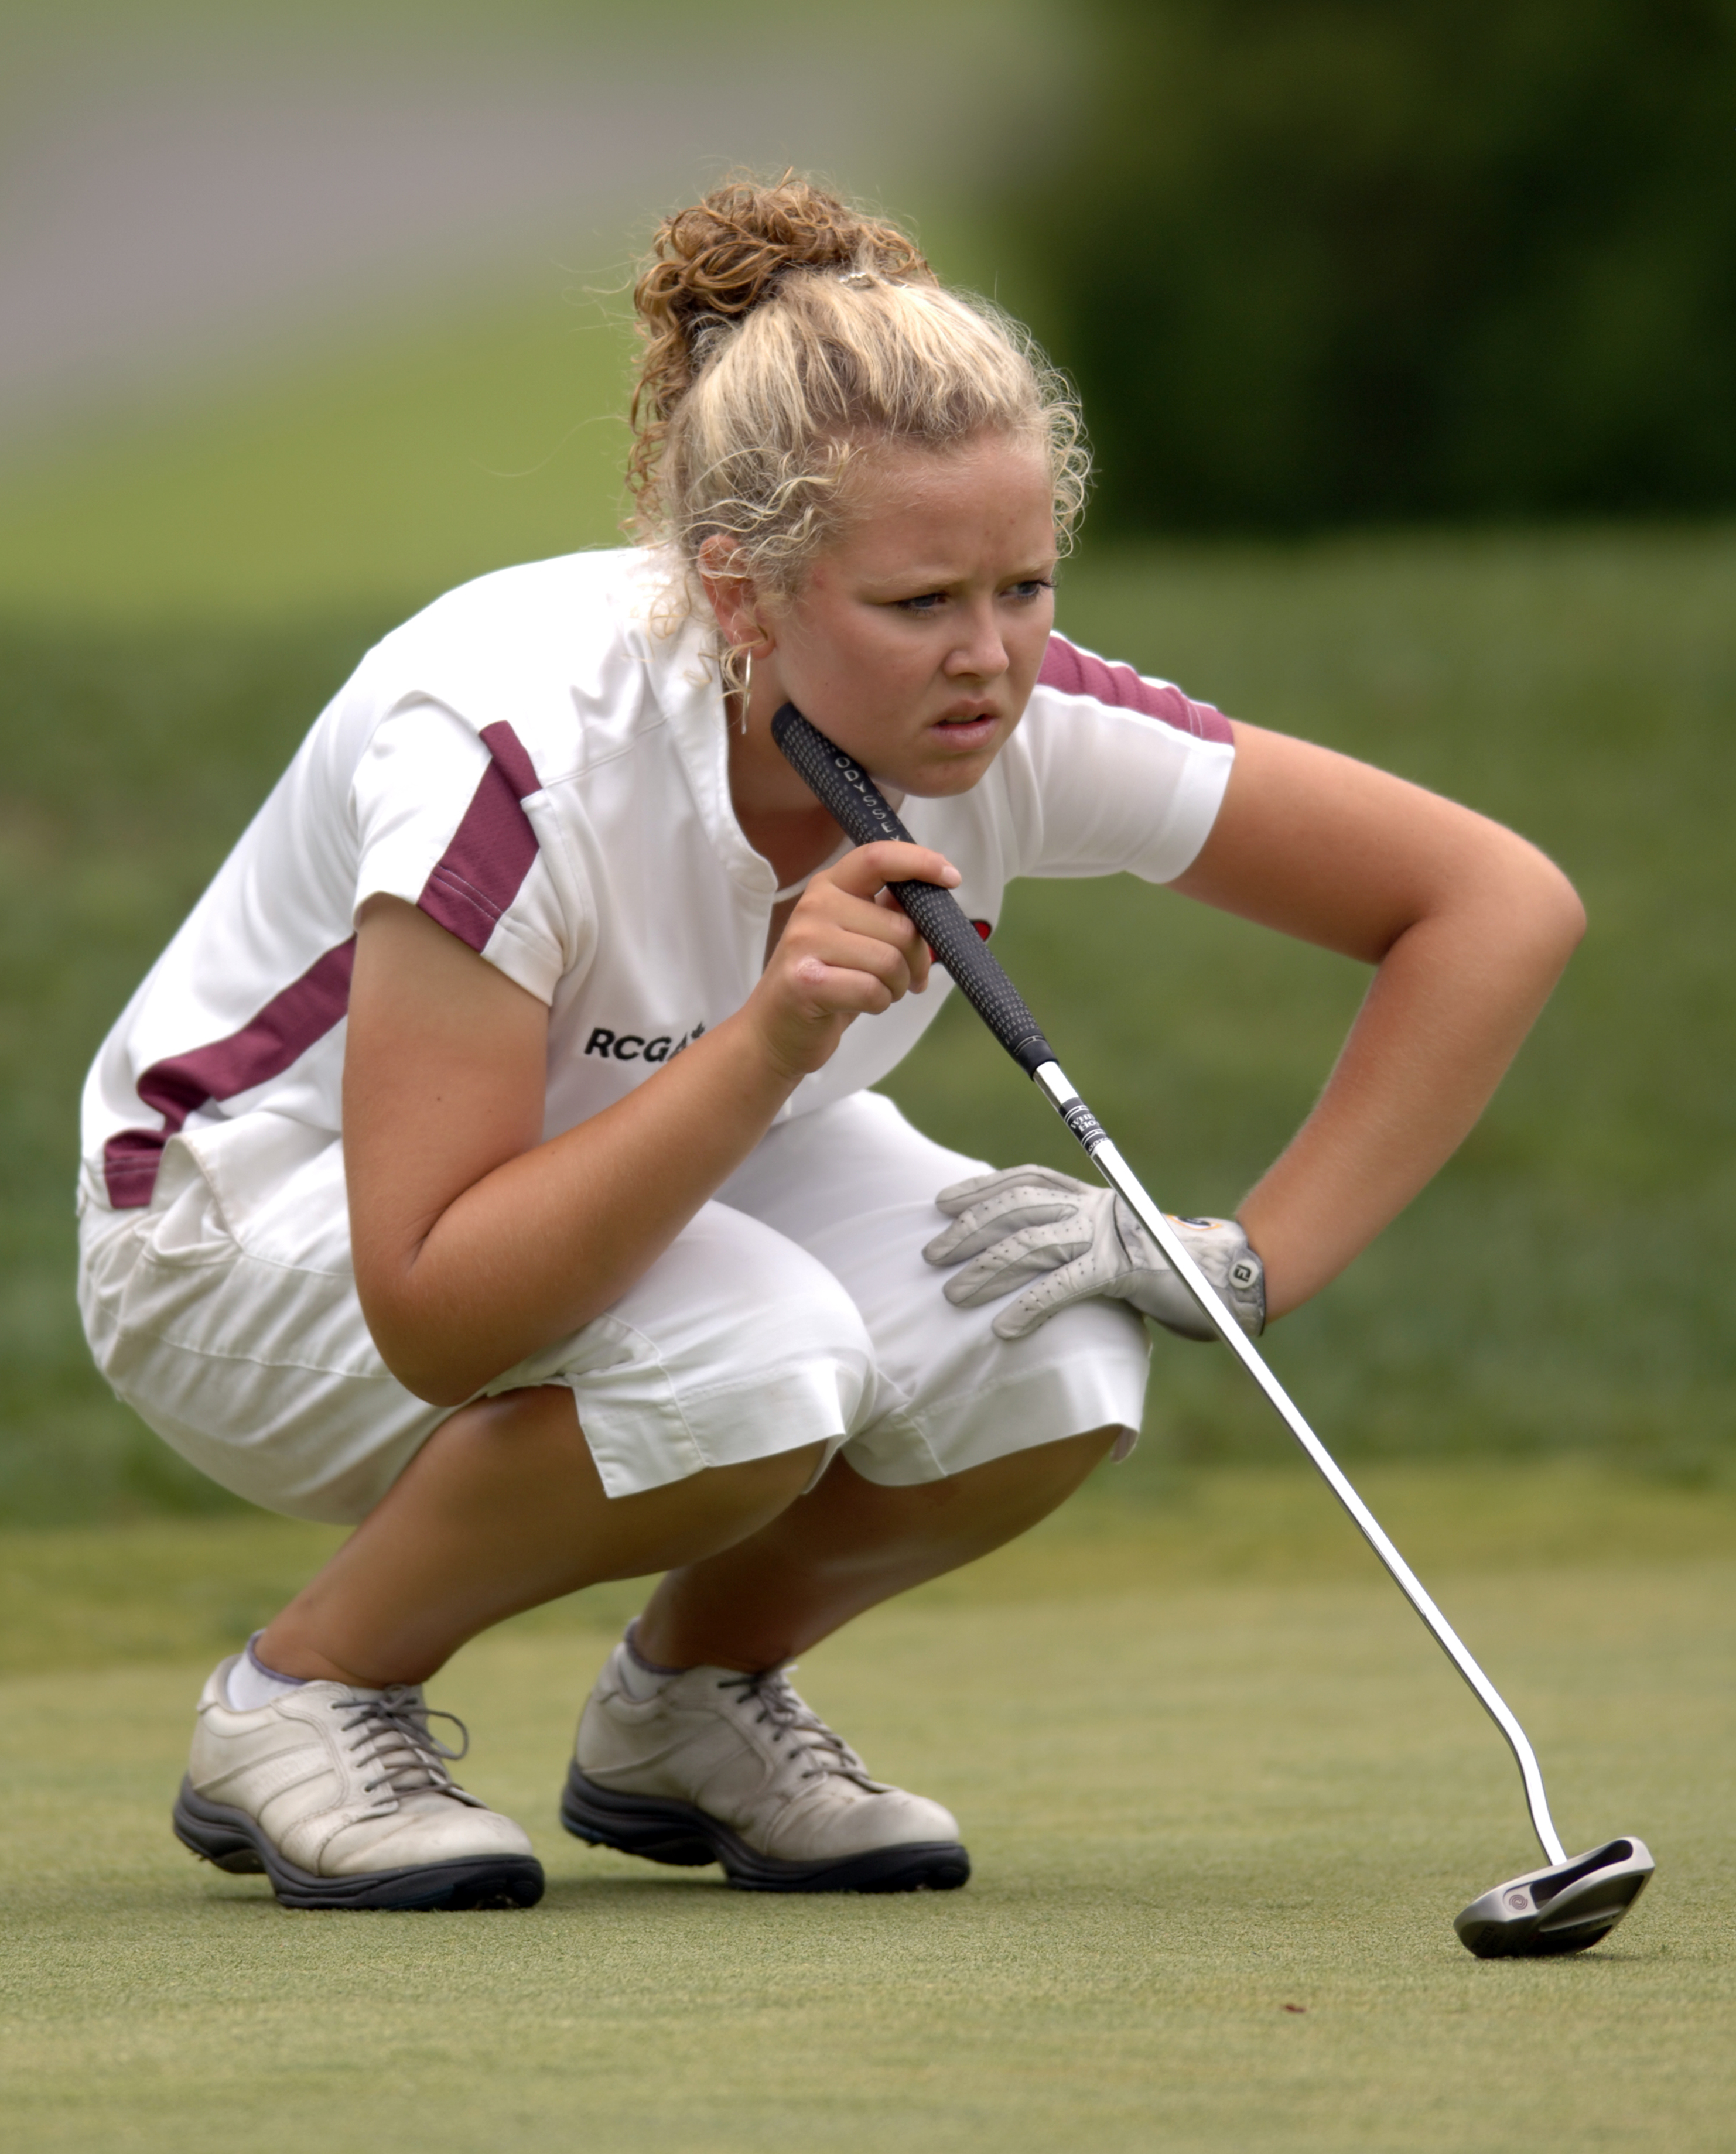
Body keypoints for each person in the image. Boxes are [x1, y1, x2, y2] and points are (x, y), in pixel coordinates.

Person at [77, 176, 1585, 1912]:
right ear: (741, 590)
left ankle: (689, 1709)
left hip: (645, 1152)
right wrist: (776, 1033)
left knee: (1058, 1334)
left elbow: (1493, 905)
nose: (993, 661)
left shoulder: (1007, 708)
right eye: (922, 602)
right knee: (763, 1359)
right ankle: (306, 1694)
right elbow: (434, 1311)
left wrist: (1246, 1261)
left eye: (1025, 586)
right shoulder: (508, 750)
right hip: (241, 1213)